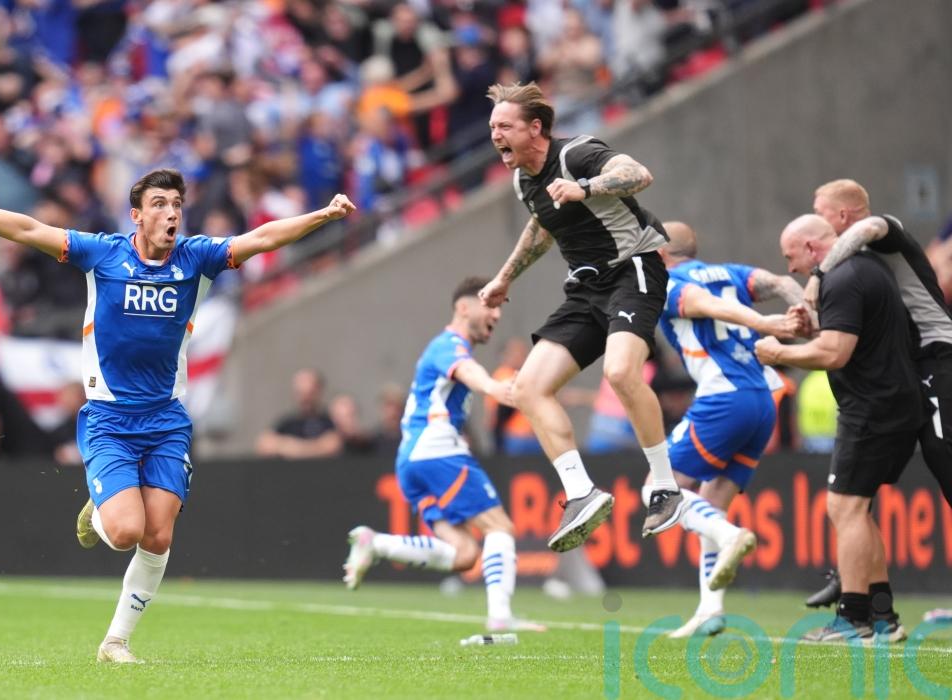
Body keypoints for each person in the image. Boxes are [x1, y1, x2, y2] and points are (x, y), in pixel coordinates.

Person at [0, 169, 355, 664]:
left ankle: (115, 641)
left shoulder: (197, 258)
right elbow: (28, 229)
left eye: (176, 204)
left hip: (166, 422)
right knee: (126, 532)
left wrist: (324, 215)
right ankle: (101, 511)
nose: (171, 213)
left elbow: (262, 238)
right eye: (159, 204)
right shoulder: (103, 254)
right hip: (110, 419)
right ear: (136, 215)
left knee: (159, 535)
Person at [478, 81, 683, 552]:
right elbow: (542, 226)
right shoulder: (524, 181)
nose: (495, 136)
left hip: (633, 269)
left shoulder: (577, 154)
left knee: (620, 372)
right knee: (526, 388)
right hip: (586, 288)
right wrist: (505, 277)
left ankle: (665, 485)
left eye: (504, 126)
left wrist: (584, 187)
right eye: (491, 127)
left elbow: (638, 174)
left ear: (535, 128)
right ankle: (581, 494)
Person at [343, 277, 546, 633]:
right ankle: (500, 617)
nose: (497, 315)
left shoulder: (447, 348)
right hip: (437, 450)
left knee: (464, 554)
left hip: (413, 459)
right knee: (500, 527)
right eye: (490, 305)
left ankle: (375, 543)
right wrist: (494, 387)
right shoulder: (448, 345)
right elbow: (467, 370)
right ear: (463, 307)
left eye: (500, 307)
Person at [755, 214, 921, 643]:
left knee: (844, 509)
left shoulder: (843, 278)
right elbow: (848, 337)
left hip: (871, 408)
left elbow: (835, 353)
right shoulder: (865, 269)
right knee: (855, 510)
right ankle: (882, 617)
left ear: (812, 248)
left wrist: (777, 352)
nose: (791, 267)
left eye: (791, 256)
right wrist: (811, 328)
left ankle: (853, 618)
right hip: (889, 403)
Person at [801, 179, 952, 617]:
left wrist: (817, 274)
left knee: (945, 459)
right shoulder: (860, 267)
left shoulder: (883, 229)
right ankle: (873, 603)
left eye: (821, 212)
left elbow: (868, 229)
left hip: (938, 358)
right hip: (908, 374)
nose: (816, 220)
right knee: (856, 497)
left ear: (843, 215)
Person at [654, 221, 805, 638]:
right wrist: (806, 311)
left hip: (724, 396)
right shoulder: (729, 273)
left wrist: (768, 325)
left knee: (658, 490)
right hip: (764, 399)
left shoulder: (669, 283)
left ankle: (730, 535)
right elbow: (779, 282)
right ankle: (710, 610)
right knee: (711, 501)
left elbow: (706, 305)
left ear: (661, 254)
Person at [255, 368, 343, 459]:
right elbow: (265, 444)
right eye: (300, 393)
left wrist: (288, 446)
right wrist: (315, 447)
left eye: (309, 393)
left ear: (319, 391)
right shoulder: (287, 423)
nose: (305, 399)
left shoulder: (330, 421)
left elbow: (333, 445)